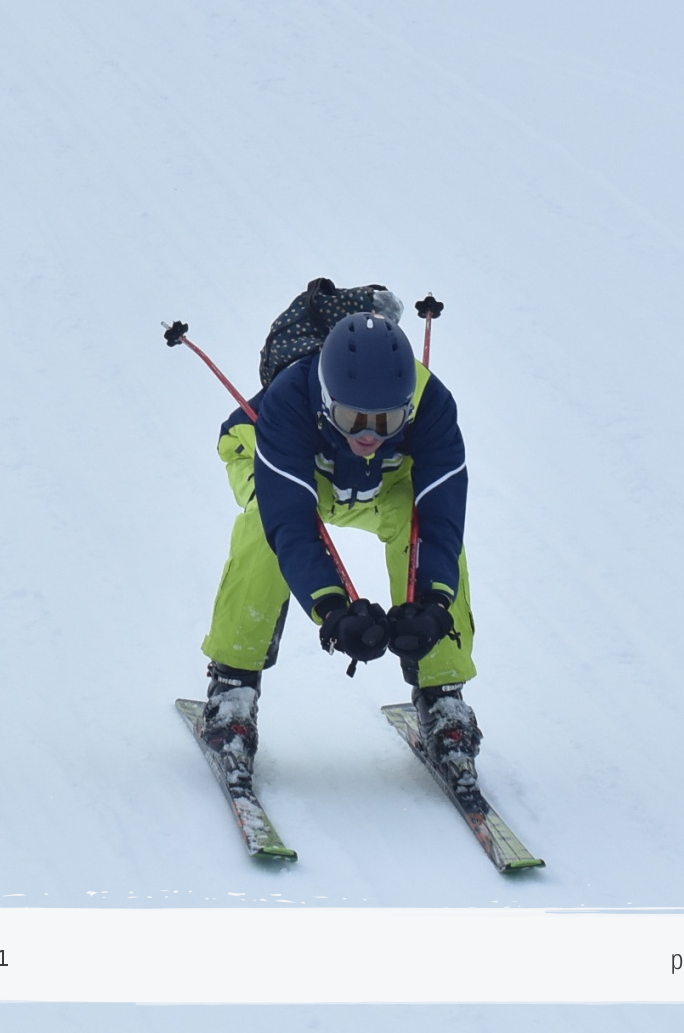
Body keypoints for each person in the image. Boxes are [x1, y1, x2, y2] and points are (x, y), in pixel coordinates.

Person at [197, 298, 480, 788]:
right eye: (352, 417)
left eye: (387, 421)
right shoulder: (289, 401)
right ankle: (232, 688)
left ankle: (443, 698)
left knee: (422, 527)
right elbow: (291, 526)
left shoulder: (432, 404)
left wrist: (434, 604)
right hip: (283, 460)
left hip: (381, 480)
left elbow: (442, 516)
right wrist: (332, 610)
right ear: (327, 399)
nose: (368, 435)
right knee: (264, 525)